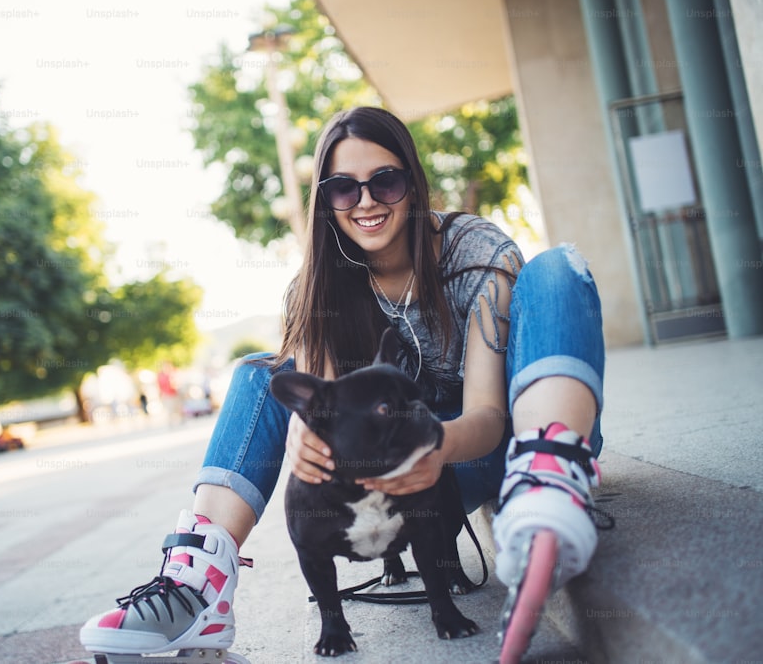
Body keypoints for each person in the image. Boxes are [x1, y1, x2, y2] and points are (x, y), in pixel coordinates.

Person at [79, 106, 606, 658]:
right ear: (325, 201)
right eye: (343, 189)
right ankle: (196, 583)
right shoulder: (318, 287)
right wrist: (309, 442)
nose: (367, 201)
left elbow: (488, 416)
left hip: (476, 450)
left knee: (556, 267)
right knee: (261, 371)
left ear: (413, 181)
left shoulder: (473, 252)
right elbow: (319, 400)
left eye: (386, 180)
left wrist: (432, 445)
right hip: (385, 472)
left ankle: (550, 480)